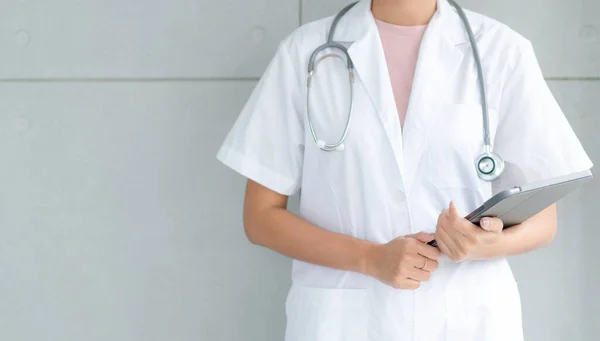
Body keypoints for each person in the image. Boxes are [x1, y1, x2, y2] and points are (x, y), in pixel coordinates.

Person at [216, 0, 593, 340]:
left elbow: (545, 219)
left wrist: (488, 244)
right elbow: (261, 218)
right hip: (345, 323)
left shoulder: (501, 51)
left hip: (469, 317)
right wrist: (368, 258)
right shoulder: (306, 52)